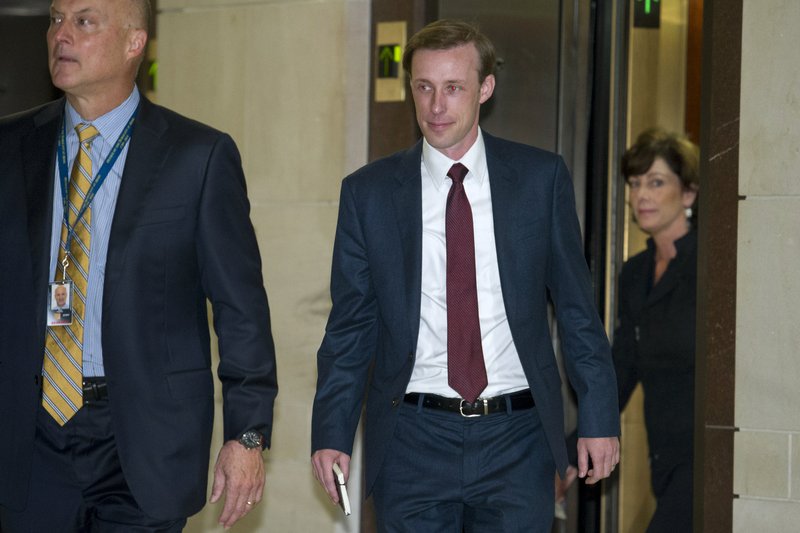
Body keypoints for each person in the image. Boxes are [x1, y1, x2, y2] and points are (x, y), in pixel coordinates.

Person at [311, 19, 620, 531]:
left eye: (453, 88)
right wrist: (331, 431)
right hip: (412, 441)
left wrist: (599, 417)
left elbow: (576, 309)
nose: (436, 106)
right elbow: (349, 327)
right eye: (424, 87)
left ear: (485, 88)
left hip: (516, 438)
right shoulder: (368, 194)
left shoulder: (539, 180)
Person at [0, 0, 277, 530]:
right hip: (27, 439)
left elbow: (241, 310)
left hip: (145, 439)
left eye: (84, 21)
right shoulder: (10, 146)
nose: (61, 35)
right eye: (56, 19)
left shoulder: (199, 156)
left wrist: (247, 435)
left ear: (134, 43)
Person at [613, 128, 699, 532]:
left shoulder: (710, 266)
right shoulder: (635, 274)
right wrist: (577, 445)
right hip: (662, 456)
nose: (641, 194)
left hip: (706, 456)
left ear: (688, 194)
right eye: (635, 183)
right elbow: (624, 367)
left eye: (656, 182)